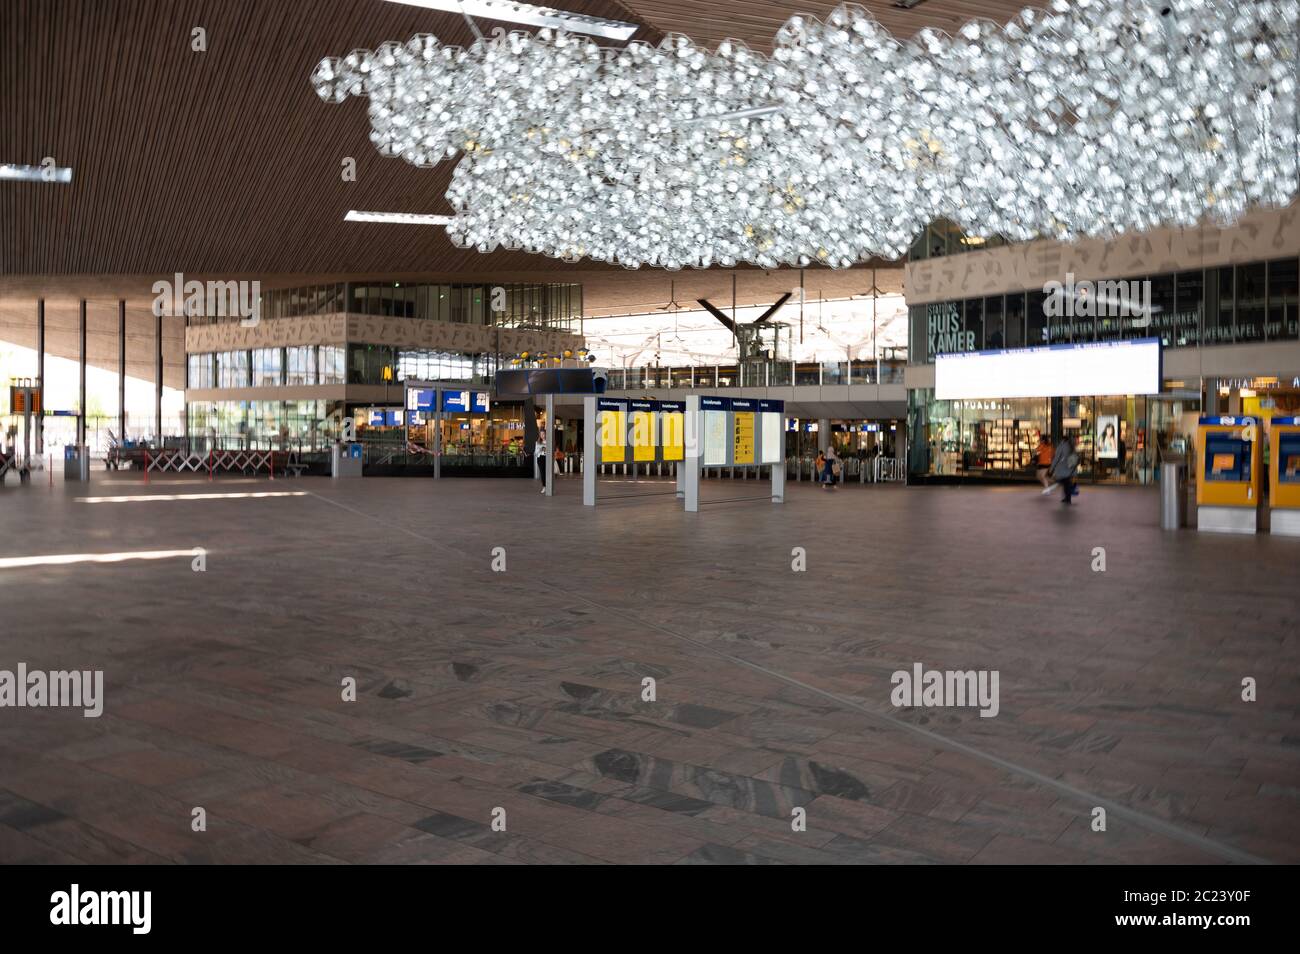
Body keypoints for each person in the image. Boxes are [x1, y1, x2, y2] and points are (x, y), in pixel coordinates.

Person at [1050, 433, 1080, 504]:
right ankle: (1067, 498)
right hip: (1071, 468)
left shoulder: (1061, 446)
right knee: (1067, 483)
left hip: (1064, 468)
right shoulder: (1072, 445)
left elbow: (1057, 457)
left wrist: (1052, 467)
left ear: (1062, 439)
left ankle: (1067, 498)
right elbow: (1076, 457)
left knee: (1064, 482)